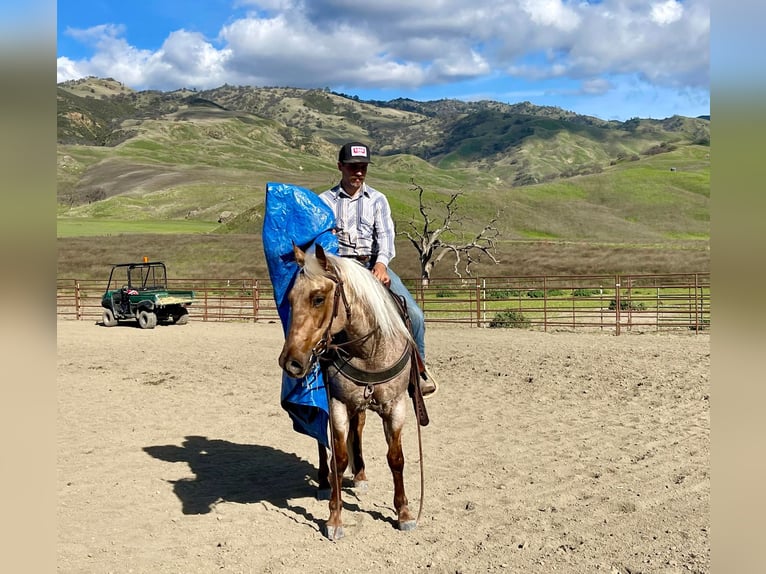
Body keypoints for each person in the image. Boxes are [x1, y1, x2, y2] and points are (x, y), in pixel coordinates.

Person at [319, 142, 438, 398]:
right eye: (353, 167)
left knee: (415, 315)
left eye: (362, 168)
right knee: (313, 314)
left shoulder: (378, 200)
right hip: (341, 268)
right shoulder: (324, 201)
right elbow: (321, 240)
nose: (358, 173)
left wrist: (382, 265)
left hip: (372, 265)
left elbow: (385, 236)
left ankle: (418, 372)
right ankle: (310, 378)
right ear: (341, 167)